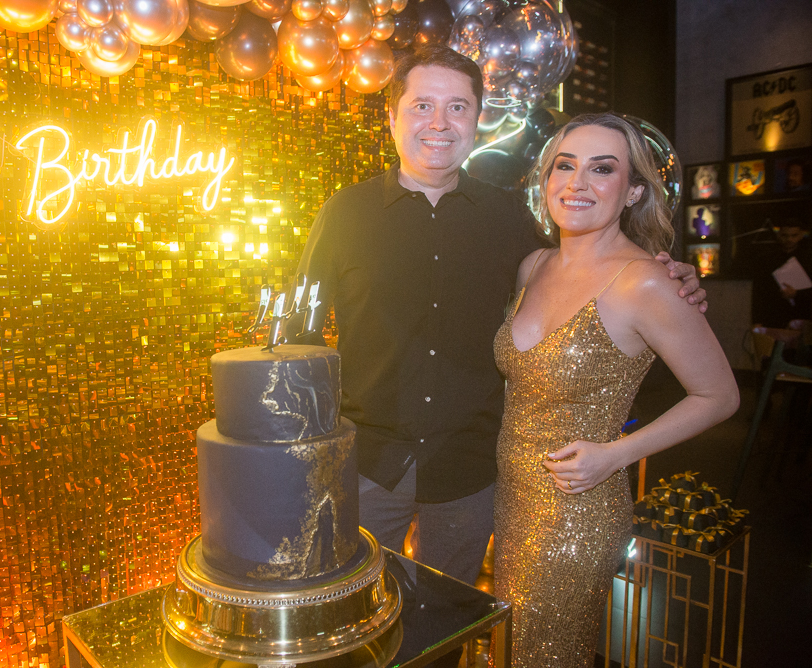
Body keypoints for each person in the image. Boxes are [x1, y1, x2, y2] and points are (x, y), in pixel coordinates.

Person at [289, 44, 706, 587]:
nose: (440, 123)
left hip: (472, 471)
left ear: (477, 120)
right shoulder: (344, 213)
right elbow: (300, 338)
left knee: (453, 614)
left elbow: (583, 271)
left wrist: (669, 277)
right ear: (391, 117)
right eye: (422, 106)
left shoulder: (512, 217)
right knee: (358, 610)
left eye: (458, 107)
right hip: (368, 466)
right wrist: (310, 458)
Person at [492, 112, 739, 667]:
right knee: (508, 649)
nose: (577, 183)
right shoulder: (534, 266)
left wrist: (617, 454)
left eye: (602, 169)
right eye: (565, 166)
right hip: (511, 497)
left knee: (547, 655)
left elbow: (720, 396)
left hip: (577, 511)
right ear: (545, 180)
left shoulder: (644, 281)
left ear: (633, 192)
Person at [743, 218, 812, 328]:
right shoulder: (767, 259)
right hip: (774, 316)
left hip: (803, 316)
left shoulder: (808, 259)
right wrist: (757, 321)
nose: (789, 239)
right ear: (779, 235)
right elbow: (759, 292)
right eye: (785, 235)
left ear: (801, 235)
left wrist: (797, 294)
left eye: (794, 235)